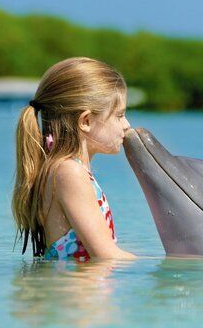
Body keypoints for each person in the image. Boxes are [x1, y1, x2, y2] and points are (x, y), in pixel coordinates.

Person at [12, 57, 135, 261]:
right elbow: (106, 256)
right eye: (119, 115)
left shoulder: (63, 169)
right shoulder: (69, 172)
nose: (126, 125)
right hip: (73, 292)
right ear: (85, 121)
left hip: (74, 291)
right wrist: (171, 268)